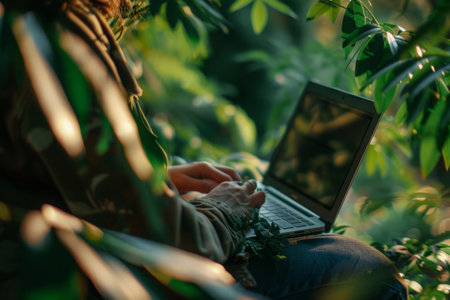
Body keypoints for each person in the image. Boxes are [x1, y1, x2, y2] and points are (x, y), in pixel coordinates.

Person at [0, 0, 408, 299]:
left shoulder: (27, 19)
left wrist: (155, 179)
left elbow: (58, 170)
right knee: (370, 270)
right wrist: (223, 212)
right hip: (89, 275)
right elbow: (170, 241)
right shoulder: (58, 27)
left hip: (62, 253)